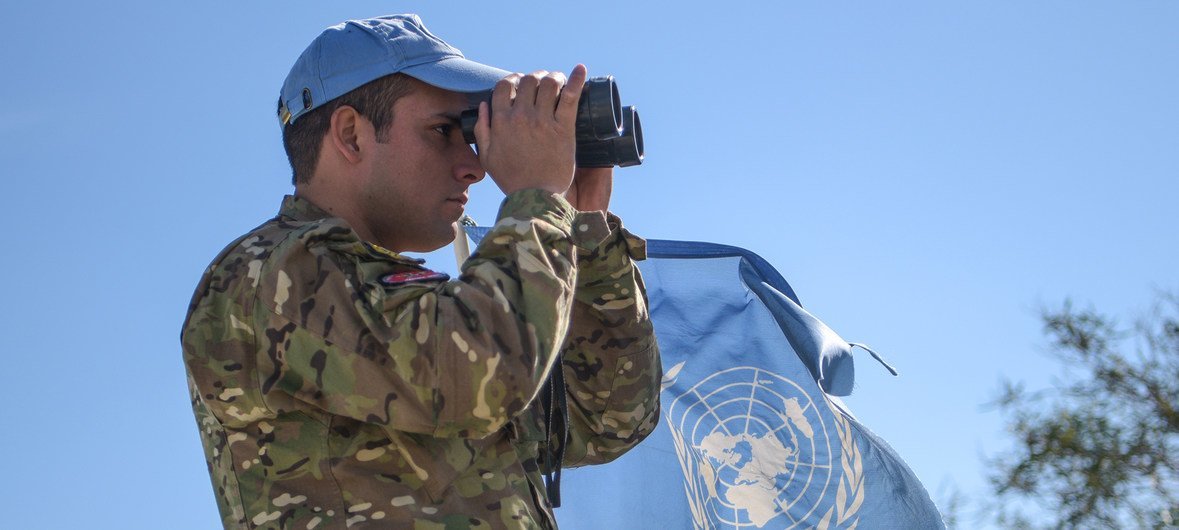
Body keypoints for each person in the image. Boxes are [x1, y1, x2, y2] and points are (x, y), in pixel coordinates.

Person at [180, 14, 661, 530]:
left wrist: (584, 228)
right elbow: (480, 376)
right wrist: (538, 200)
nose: (474, 165)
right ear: (351, 135)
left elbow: (610, 416)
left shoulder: (409, 310)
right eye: (444, 131)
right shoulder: (265, 276)